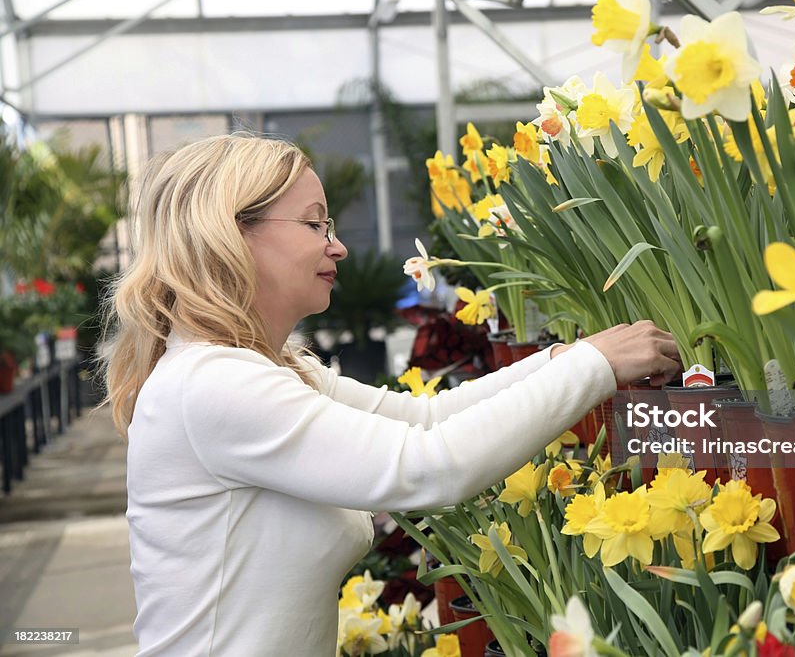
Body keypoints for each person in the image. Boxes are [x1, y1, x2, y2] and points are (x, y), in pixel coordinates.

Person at [100, 133, 682, 656]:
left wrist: (563, 357)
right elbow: (429, 466)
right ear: (231, 234)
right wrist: (594, 366)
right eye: (314, 224)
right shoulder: (214, 386)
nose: (338, 247)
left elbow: (427, 418)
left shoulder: (267, 370)